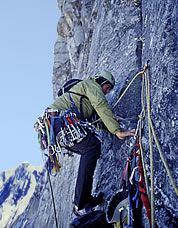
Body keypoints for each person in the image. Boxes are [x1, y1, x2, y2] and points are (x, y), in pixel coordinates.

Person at [48, 71, 135, 216]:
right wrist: (117, 131)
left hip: (56, 127)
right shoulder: (91, 85)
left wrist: (112, 120)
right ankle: (81, 201)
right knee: (92, 147)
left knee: (90, 149)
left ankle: (84, 200)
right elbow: (100, 104)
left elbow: (97, 121)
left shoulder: (85, 98)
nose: (107, 92)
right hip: (59, 122)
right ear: (101, 82)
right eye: (107, 88)